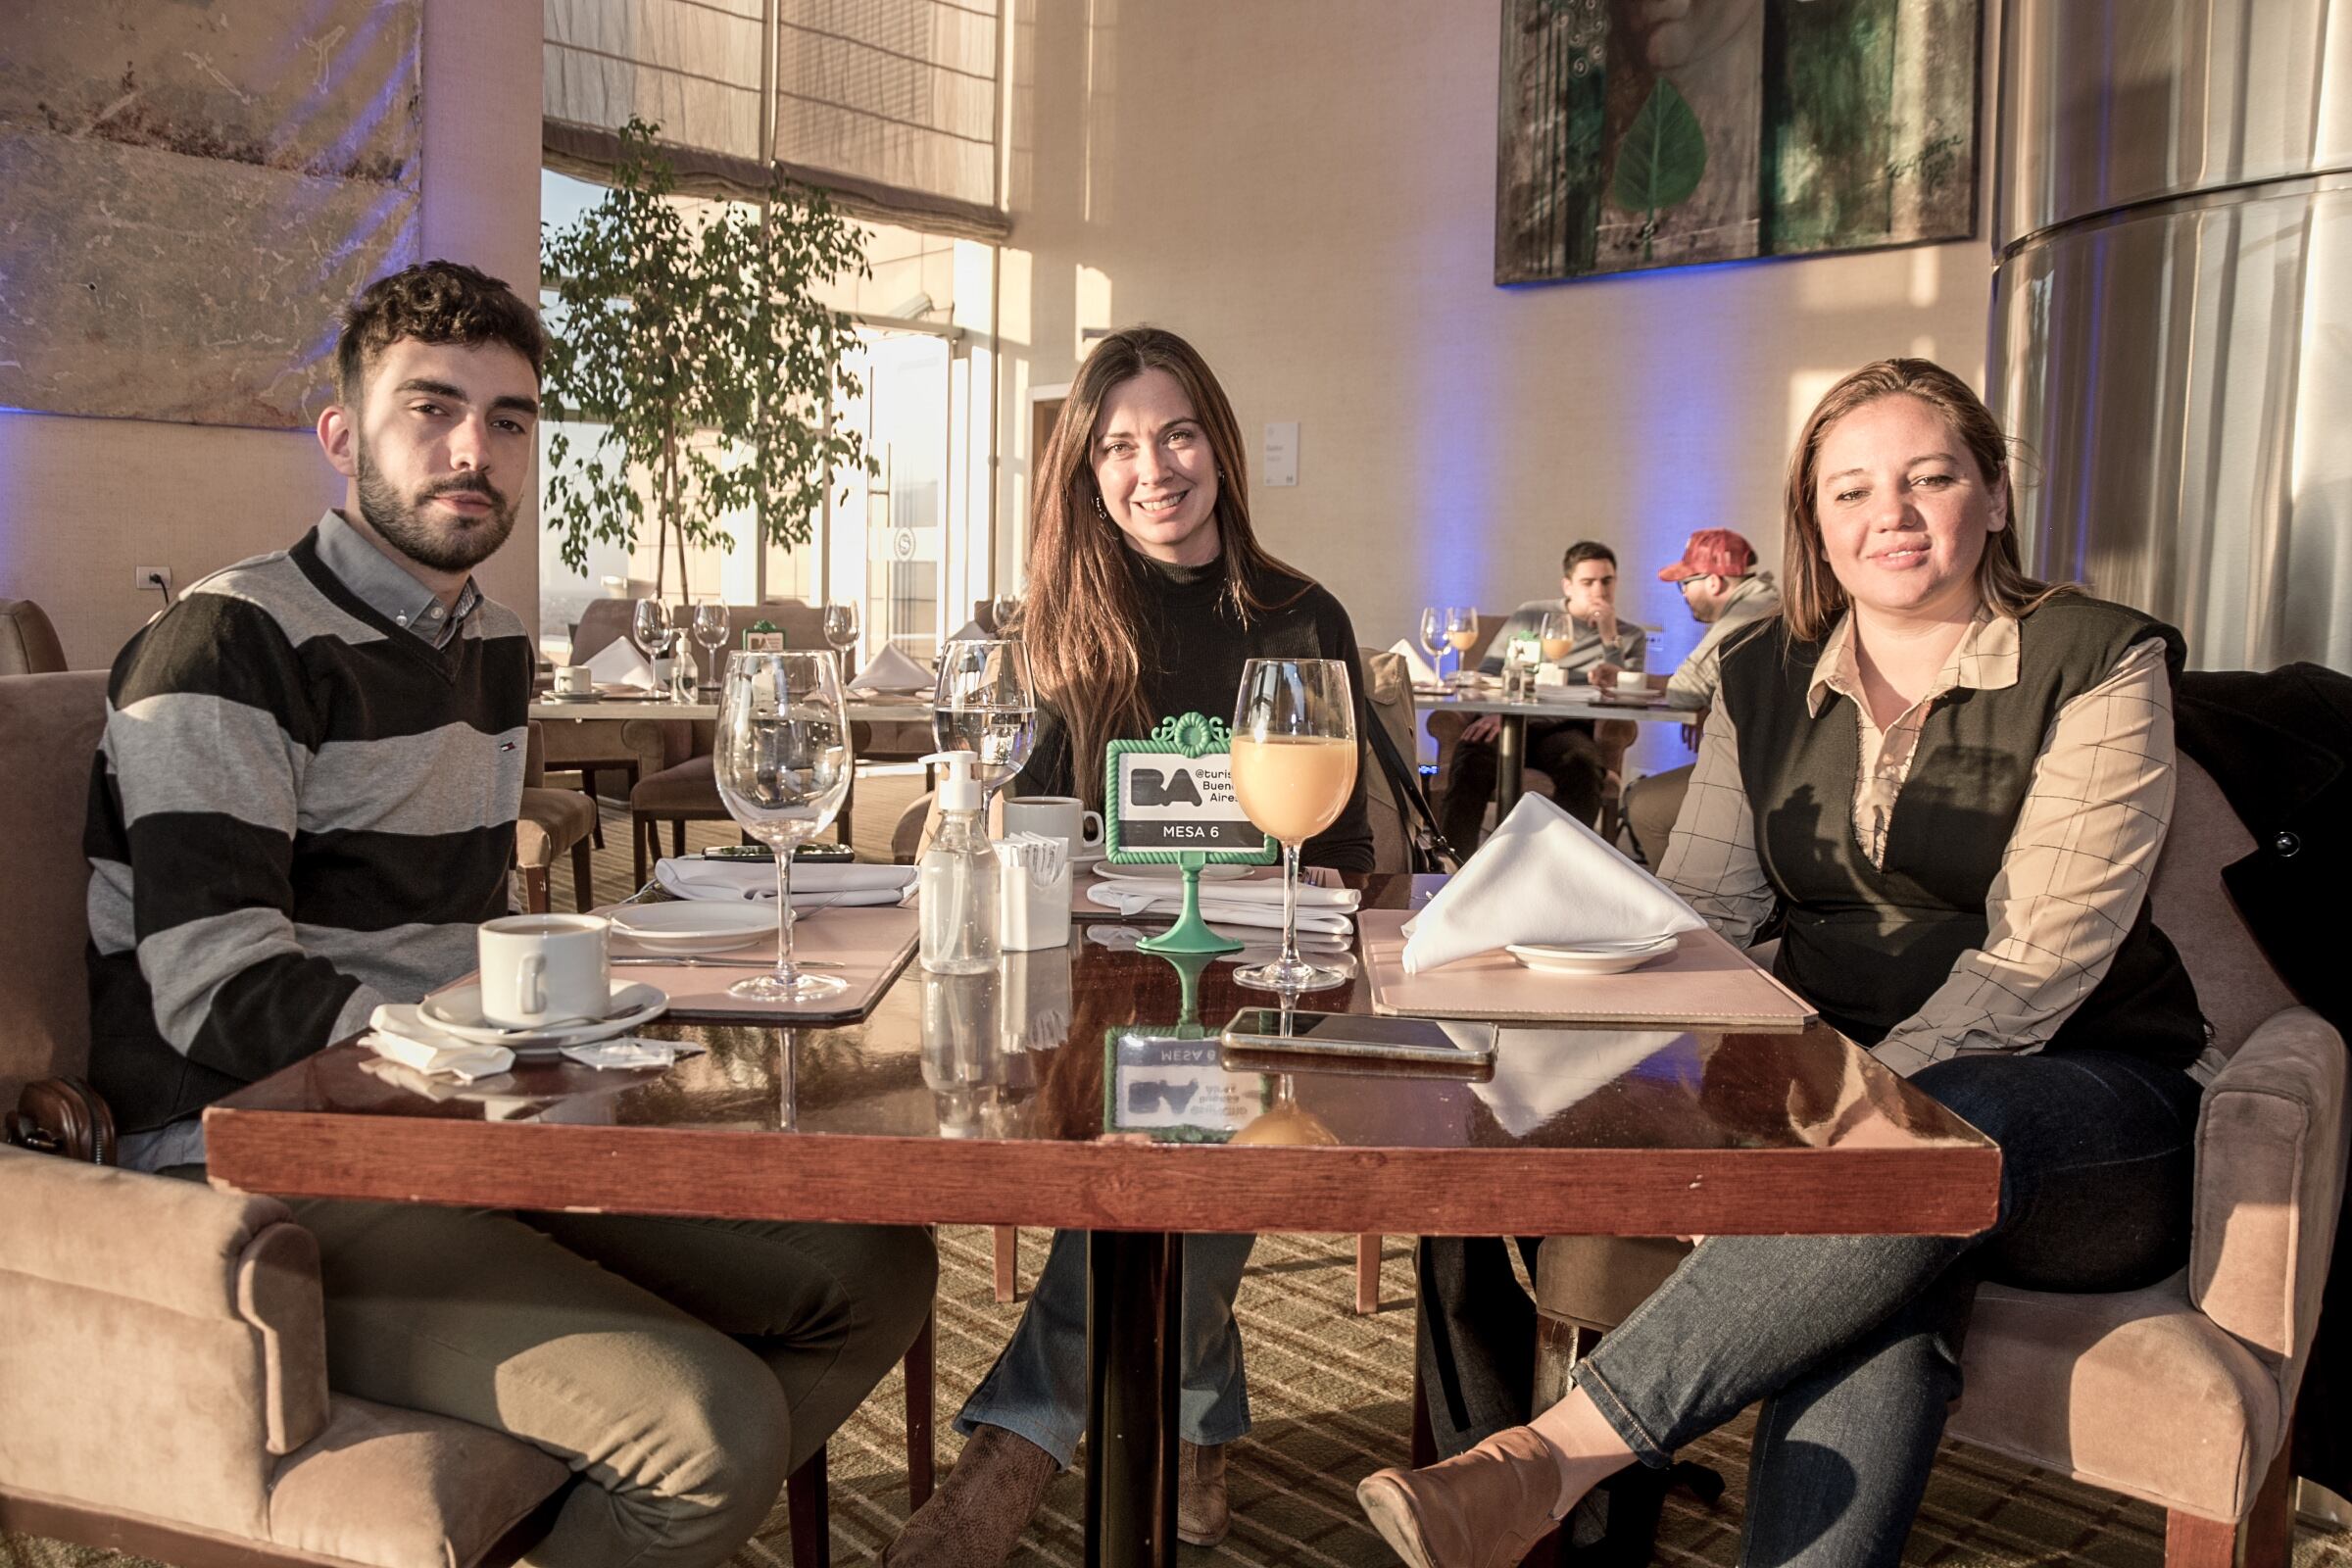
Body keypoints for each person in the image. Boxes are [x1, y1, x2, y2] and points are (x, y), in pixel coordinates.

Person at [86, 260, 937, 1568]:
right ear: (341, 438)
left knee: (874, 1276)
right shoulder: (229, 642)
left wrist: (564, 1043)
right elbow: (216, 993)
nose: (472, 450)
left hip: (455, 1125)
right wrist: (495, 1061)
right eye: (429, 410)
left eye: (509, 419)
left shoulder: (481, 642)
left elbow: (463, 932)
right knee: (708, 1431)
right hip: (258, 1161)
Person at [1359, 358, 2211, 1568]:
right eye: (1850, 490)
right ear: (1812, 521)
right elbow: (1702, 911)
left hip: (2083, 1108)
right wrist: (1533, 972)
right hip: (1846, 1105)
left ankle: (1552, 1458)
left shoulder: (2100, 660)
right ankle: (1556, 1477)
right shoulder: (1760, 676)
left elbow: (2032, 971)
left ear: (1997, 496)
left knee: (1924, 1145)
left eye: (1931, 479)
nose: (1892, 516)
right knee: (1878, 1270)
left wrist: (1836, 1129)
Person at [885, 325, 1375, 1566]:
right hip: (1096, 988)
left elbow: (1355, 846)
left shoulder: (1300, 614)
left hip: (1262, 980)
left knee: (1191, 1130)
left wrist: (1310, 878)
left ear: (1217, 442)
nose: (1151, 467)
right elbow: (1033, 831)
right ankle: (1198, 1424)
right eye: (1116, 446)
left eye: (1176, 434)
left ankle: (1012, 1449)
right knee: (1165, 1136)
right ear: (1085, 473)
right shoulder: (1064, 628)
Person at [1437, 540, 1645, 851]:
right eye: (1588, 582)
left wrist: (1608, 639)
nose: (1599, 591)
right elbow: (1490, 671)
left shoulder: (1629, 636)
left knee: (1583, 767)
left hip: (1567, 728)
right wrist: (1499, 711)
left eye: (1607, 581)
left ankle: (1556, 863)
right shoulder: (1532, 616)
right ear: (1568, 585)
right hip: (1507, 718)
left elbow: (1619, 697)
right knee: (1472, 756)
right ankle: (1453, 864)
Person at [1620, 527, 1781, 865]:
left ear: (1713, 582)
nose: (1683, 595)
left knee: (1643, 805)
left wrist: (1701, 699)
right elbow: (1696, 686)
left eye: (1685, 584)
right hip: (1767, 764)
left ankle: (1692, 910)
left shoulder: (1748, 613)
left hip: (1765, 775)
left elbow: (1684, 691)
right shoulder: (1763, 601)